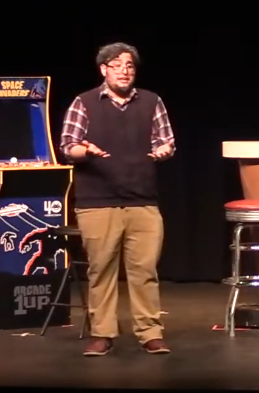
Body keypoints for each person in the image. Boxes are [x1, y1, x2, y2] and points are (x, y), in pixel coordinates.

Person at [59, 42, 175, 357]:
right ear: (103, 70)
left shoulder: (152, 101)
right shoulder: (84, 103)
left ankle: (150, 333)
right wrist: (87, 151)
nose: (124, 71)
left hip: (142, 201)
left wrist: (164, 150)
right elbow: (68, 147)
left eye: (129, 66)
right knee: (101, 269)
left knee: (145, 270)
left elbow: (166, 140)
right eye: (116, 65)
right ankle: (102, 333)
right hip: (98, 201)